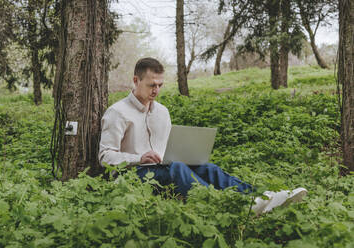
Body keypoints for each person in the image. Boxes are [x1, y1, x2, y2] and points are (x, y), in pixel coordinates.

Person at [99, 57, 307, 215]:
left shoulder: (162, 112)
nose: (157, 90)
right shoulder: (117, 112)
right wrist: (139, 158)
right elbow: (105, 156)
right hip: (133, 175)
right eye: (151, 85)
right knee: (178, 168)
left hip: (164, 169)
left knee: (207, 167)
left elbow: (169, 147)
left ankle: (261, 197)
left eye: (160, 85)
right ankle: (228, 206)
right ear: (136, 80)